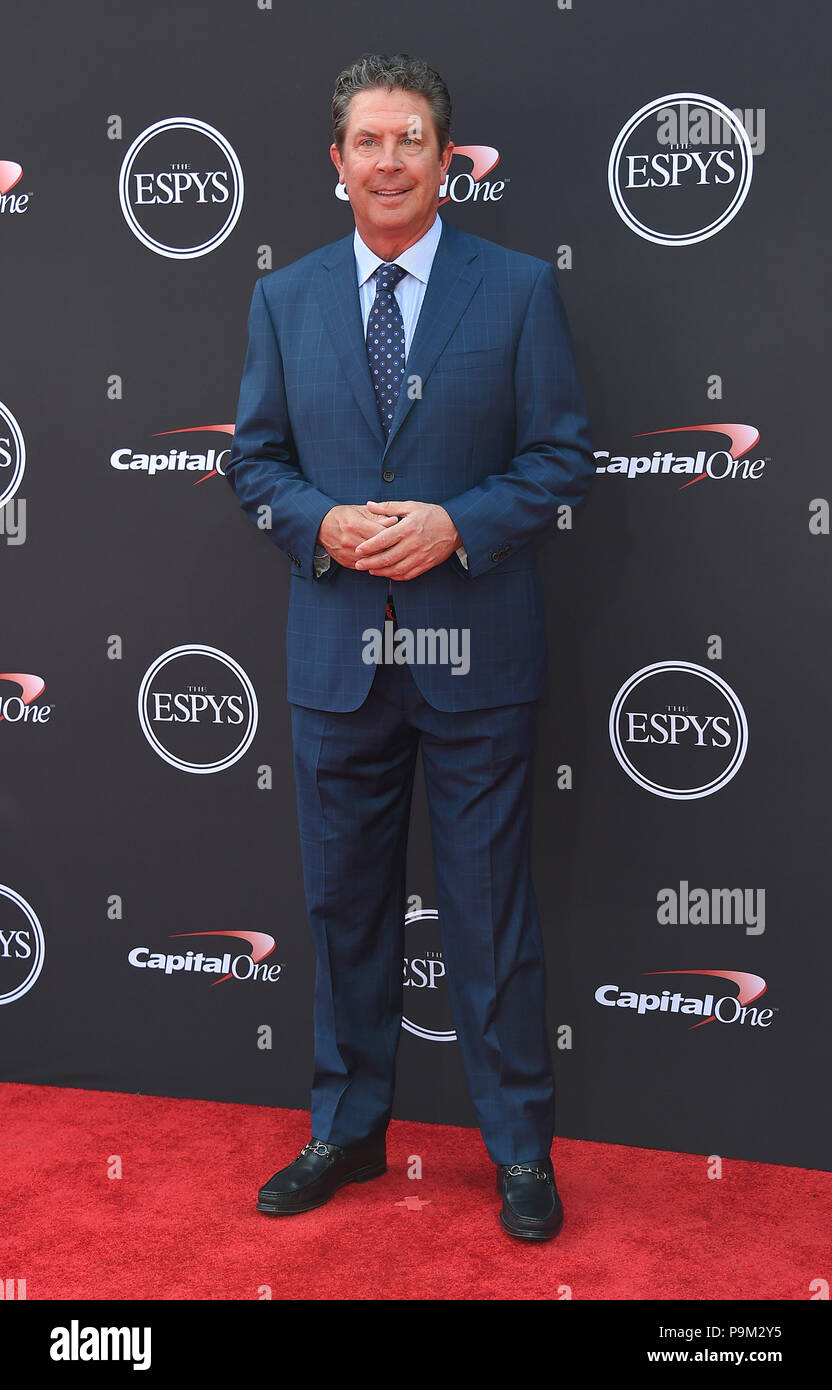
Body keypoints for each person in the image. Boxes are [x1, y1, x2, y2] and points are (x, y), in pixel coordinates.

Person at [225, 52, 595, 1241]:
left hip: (477, 650)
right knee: (343, 909)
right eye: (368, 141)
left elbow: (558, 456)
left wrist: (456, 524)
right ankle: (347, 1129)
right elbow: (253, 461)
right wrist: (318, 521)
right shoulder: (282, 300)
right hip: (337, 651)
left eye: (412, 139)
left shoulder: (522, 289)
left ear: (448, 161)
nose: (389, 160)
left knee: (490, 913)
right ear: (336, 165)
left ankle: (521, 1153)